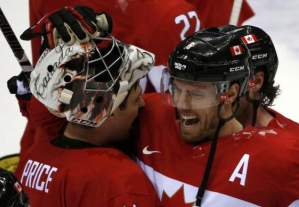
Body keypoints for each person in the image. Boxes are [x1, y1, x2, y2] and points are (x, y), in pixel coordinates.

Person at [135, 29, 299, 206]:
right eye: (177, 90)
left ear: (231, 93)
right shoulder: (147, 113)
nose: (181, 103)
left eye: (196, 95)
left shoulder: (285, 156)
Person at [14, 33, 161, 206]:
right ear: (108, 112)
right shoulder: (118, 179)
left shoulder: (33, 158)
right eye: (135, 100)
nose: (143, 104)